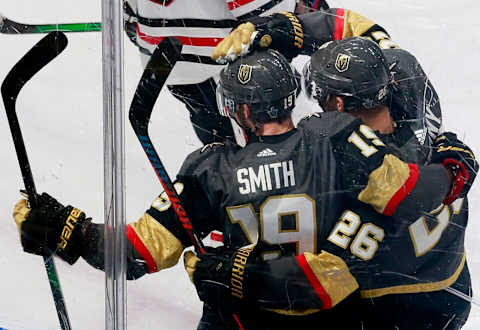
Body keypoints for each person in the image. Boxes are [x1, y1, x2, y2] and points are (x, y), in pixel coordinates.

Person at [12, 49, 476, 329]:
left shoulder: (210, 169)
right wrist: (457, 164)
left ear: (238, 112)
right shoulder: (338, 140)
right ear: (293, 97)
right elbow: (346, 265)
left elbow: (135, 253)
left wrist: (64, 230)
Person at [195, 35, 477, 329]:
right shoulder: (428, 132)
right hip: (451, 298)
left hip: (388, 313)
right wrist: (293, 28)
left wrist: (237, 275)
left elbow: (315, 280)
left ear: (339, 104)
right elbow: (365, 31)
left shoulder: (345, 180)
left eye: (321, 96)